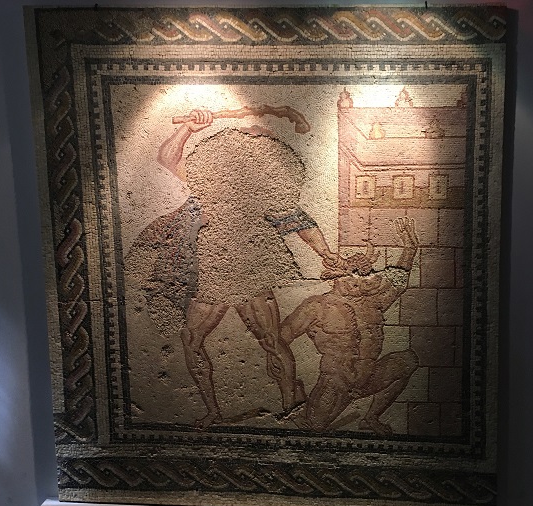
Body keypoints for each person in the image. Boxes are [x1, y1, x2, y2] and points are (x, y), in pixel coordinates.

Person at [155, 109, 342, 428]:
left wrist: (326, 253)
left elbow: (298, 221)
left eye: (256, 133)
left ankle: (292, 403)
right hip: (215, 270)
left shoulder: (266, 190)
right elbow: (167, 158)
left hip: (250, 268)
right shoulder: (209, 180)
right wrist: (187, 128)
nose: (250, 132)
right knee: (193, 338)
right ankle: (216, 411)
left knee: (270, 339)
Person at [279, 217, 420, 435]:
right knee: (314, 429)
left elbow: (398, 282)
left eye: (365, 275)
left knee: (408, 361)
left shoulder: (372, 303)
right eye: (356, 273)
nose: (362, 280)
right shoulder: (317, 306)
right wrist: (290, 388)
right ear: (338, 276)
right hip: (336, 383)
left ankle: (371, 418)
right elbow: (278, 341)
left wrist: (409, 250)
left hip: (368, 378)